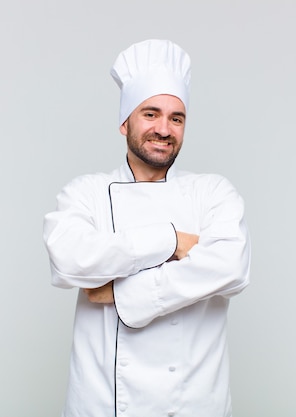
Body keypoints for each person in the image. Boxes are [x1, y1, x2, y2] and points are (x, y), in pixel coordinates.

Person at [43, 39, 251, 417]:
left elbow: (231, 267)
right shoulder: (85, 193)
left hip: (192, 405)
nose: (164, 129)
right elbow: (68, 261)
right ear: (125, 122)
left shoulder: (213, 192)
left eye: (176, 118)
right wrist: (170, 240)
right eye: (150, 114)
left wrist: (123, 295)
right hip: (102, 405)